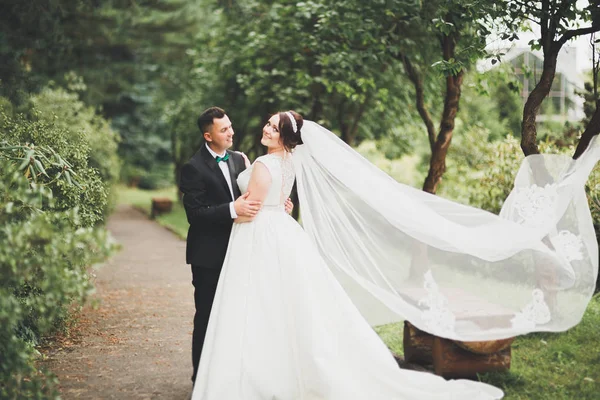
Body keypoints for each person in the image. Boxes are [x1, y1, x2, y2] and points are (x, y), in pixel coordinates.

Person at [191, 111, 505, 399]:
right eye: (269, 124)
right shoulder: (287, 161)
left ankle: (256, 377)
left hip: (259, 235)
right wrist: (276, 203)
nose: (267, 129)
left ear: (286, 138)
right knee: (286, 305)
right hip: (281, 232)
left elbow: (251, 207)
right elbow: (272, 195)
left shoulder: (262, 163)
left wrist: (252, 206)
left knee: (259, 305)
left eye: (274, 127)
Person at [179, 107, 293, 383]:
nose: (231, 132)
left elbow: (258, 193)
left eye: (230, 126)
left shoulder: (240, 161)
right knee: (207, 317)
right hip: (209, 255)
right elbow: (196, 215)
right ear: (208, 136)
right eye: (223, 129)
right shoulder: (193, 168)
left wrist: (279, 206)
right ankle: (201, 379)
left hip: (244, 250)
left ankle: (232, 375)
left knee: (238, 315)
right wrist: (233, 208)